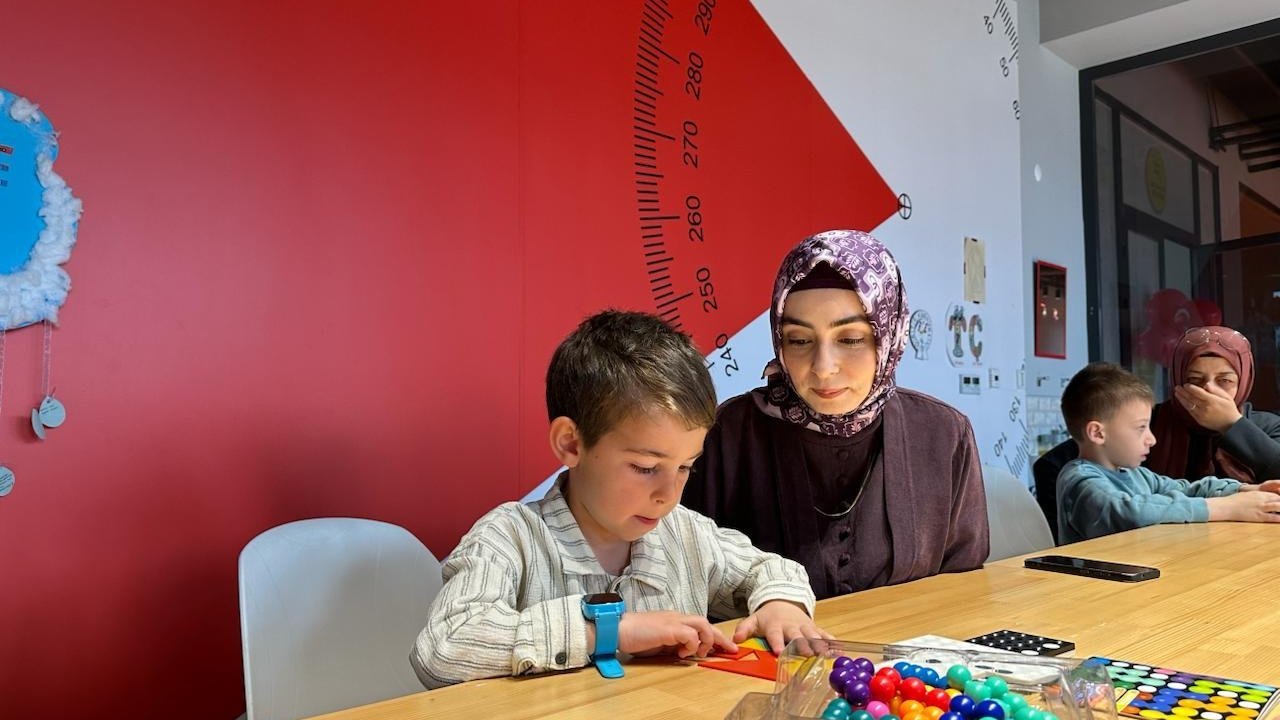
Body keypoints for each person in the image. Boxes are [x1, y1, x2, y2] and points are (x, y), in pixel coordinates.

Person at [411, 310, 828, 689]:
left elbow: (768, 569)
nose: (668, 493)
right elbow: (444, 647)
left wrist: (781, 604)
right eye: (645, 467)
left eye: (685, 467)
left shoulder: (684, 534)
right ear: (571, 444)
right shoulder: (509, 537)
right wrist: (611, 632)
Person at [682, 229, 989, 600]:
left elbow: (964, 588)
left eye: (850, 339)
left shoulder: (944, 434)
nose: (823, 367)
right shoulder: (729, 434)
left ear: (888, 334)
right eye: (799, 340)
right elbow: (692, 581)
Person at [1033, 325, 1280, 538]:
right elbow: (1132, 512)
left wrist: (1244, 489)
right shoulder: (1085, 478)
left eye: (1224, 381)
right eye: (1195, 380)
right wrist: (1226, 507)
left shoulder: (1132, 473)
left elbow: (1185, 488)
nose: (1208, 391)